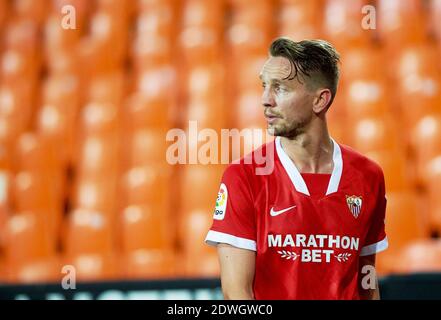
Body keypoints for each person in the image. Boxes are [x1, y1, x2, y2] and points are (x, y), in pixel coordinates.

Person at [204, 37, 388, 300]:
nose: (265, 100)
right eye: (264, 86)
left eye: (280, 88)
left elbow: (367, 283)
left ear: (320, 100)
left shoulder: (368, 176)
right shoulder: (244, 176)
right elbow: (237, 293)